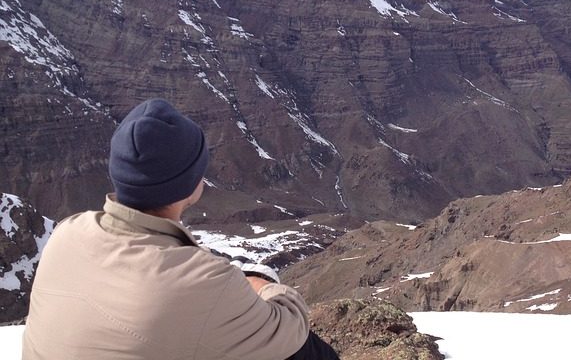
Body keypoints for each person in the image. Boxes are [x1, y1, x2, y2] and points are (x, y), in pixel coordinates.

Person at [22, 98, 338, 359]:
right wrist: (263, 284)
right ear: (189, 185)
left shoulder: (66, 233)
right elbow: (290, 327)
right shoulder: (201, 282)